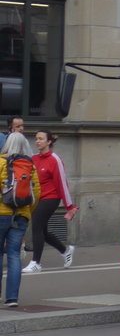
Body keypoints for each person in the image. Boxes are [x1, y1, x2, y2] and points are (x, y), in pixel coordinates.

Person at [23, 130, 76, 273]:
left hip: (51, 198)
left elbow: (62, 183)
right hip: (37, 199)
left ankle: (36, 263)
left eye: (41, 139)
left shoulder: (55, 159)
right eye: (36, 139)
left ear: (49, 142)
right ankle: (65, 251)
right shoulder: (33, 158)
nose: (37, 141)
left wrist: (69, 205)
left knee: (37, 226)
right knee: (43, 232)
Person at [0, 132, 40, 308]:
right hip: (21, 215)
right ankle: (12, 298)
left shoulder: (1, 162)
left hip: (1, 214)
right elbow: (37, 192)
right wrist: (27, 211)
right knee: (15, 255)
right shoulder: (30, 166)